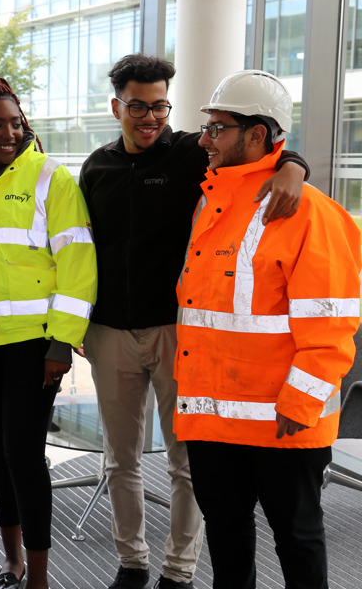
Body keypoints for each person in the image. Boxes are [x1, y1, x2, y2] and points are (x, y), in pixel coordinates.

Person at [78, 54, 309, 589]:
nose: (151, 117)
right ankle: (131, 563)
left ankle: (178, 571)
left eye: (160, 105)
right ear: (117, 106)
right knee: (120, 459)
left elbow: (264, 148)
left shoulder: (192, 153)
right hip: (109, 332)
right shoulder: (96, 167)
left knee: (188, 461)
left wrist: (295, 165)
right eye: (138, 106)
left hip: (178, 332)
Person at [175, 69, 361, 589]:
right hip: (214, 422)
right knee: (227, 544)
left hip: (283, 424)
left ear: (256, 134)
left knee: (298, 540)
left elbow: (331, 328)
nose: (204, 139)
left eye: (217, 128)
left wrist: (301, 404)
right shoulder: (210, 203)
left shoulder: (311, 215)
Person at [0, 76, 97, 589]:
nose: (10, 133)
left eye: (16, 123)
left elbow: (78, 267)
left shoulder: (50, 179)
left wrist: (62, 343)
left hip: (36, 345)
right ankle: (10, 559)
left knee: (25, 453)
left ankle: (39, 575)